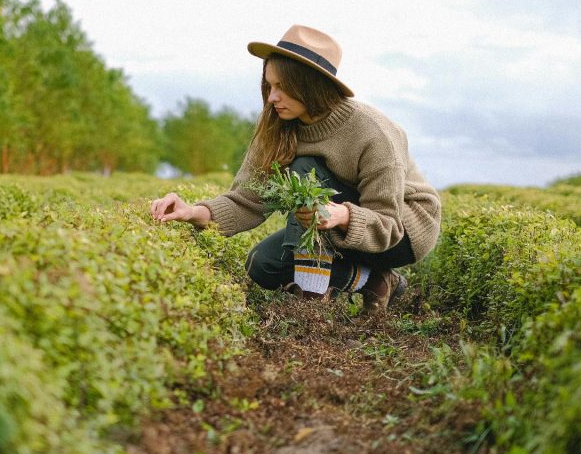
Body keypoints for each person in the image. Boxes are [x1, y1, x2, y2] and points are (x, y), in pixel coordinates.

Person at [150, 24, 441, 313]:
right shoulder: (277, 125)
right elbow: (248, 200)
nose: (272, 97)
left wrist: (341, 214)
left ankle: (310, 303)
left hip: (402, 231)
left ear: (311, 85)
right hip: (339, 224)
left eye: (282, 87)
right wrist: (191, 212)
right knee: (262, 264)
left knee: (304, 168)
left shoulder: (372, 132)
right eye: (269, 85)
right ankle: (375, 280)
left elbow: (388, 225)